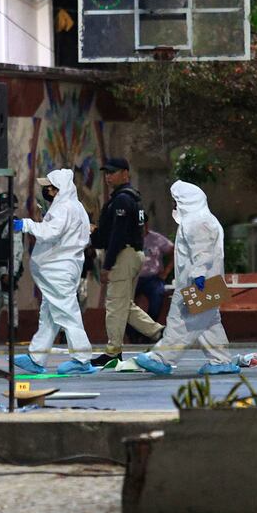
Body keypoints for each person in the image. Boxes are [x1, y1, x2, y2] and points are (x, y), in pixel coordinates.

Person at [135, 181, 240, 376]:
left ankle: (162, 358)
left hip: (200, 282)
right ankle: (221, 360)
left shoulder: (198, 222)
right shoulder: (198, 220)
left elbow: (203, 252)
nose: (174, 206)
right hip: (201, 282)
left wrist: (199, 275)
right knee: (209, 324)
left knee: (184, 323)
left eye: (176, 201)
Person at [12, 169, 96, 375]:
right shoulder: (76, 207)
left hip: (58, 269)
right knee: (49, 315)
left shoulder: (64, 208)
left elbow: (50, 232)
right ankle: (36, 357)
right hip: (63, 267)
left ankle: (82, 359)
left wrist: (26, 225)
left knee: (67, 313)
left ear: (58, 188)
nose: (46, 191)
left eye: (49, 188)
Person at [90, 157, 164, 367]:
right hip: (133, 254)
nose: (108, 177)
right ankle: (160, 333)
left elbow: (118, 235)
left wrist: (107, 265)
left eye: (112, 172)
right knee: (124, 304)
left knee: (115, 304)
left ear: (125, 173)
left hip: (124, 255)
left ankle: (113, 351)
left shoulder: (122, 199)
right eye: (106, 173)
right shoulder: (132, 197)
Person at [0, 192, 24, 343]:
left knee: (10, 302)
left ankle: (12, 334)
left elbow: (17, 249)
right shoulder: (2, 225)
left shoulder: (14, 223)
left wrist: (11, 272)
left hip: (7, 269)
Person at [135, 219, 174, 322]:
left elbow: (174, 252)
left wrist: (166, 272)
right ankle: (131, 329)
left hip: (153, 278)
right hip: (134, 278)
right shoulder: (129, 238)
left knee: (157, 296)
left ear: (146, 225)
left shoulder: (156, 238)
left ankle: (151, 325)